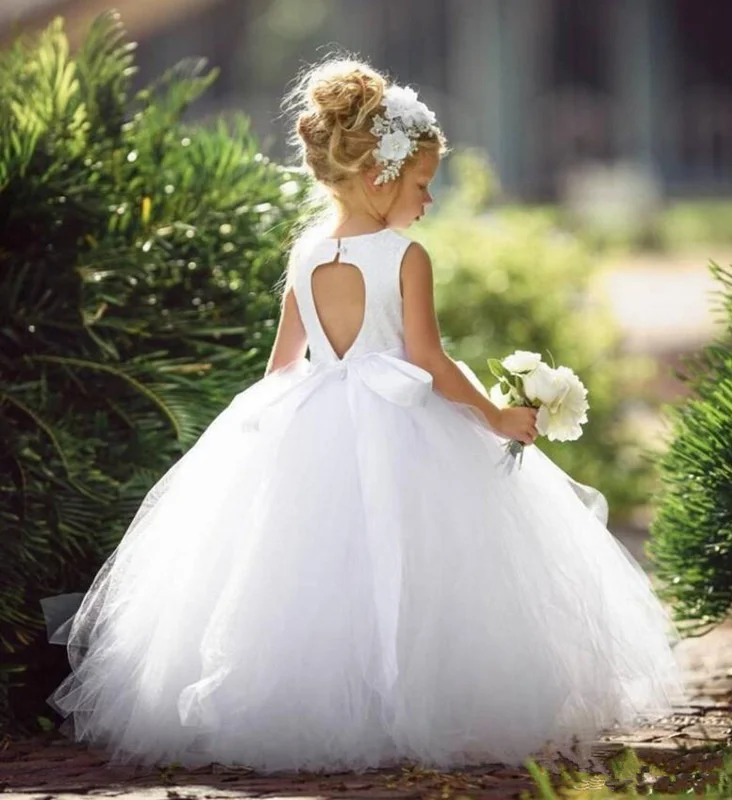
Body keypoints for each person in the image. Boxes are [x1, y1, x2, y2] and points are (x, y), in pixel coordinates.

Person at [41, 57, 688, 775]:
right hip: (401, 421)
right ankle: (403, 703)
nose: (428, 200)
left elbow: (281, 367)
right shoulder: (405, 257)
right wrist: (497, 416)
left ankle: (316, 704)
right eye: (422, 184)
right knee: (414, 562)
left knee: (308, 569)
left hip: (313, 419)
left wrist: (271, 435)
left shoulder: (306, 253)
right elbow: (433, 364)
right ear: (381, 177)